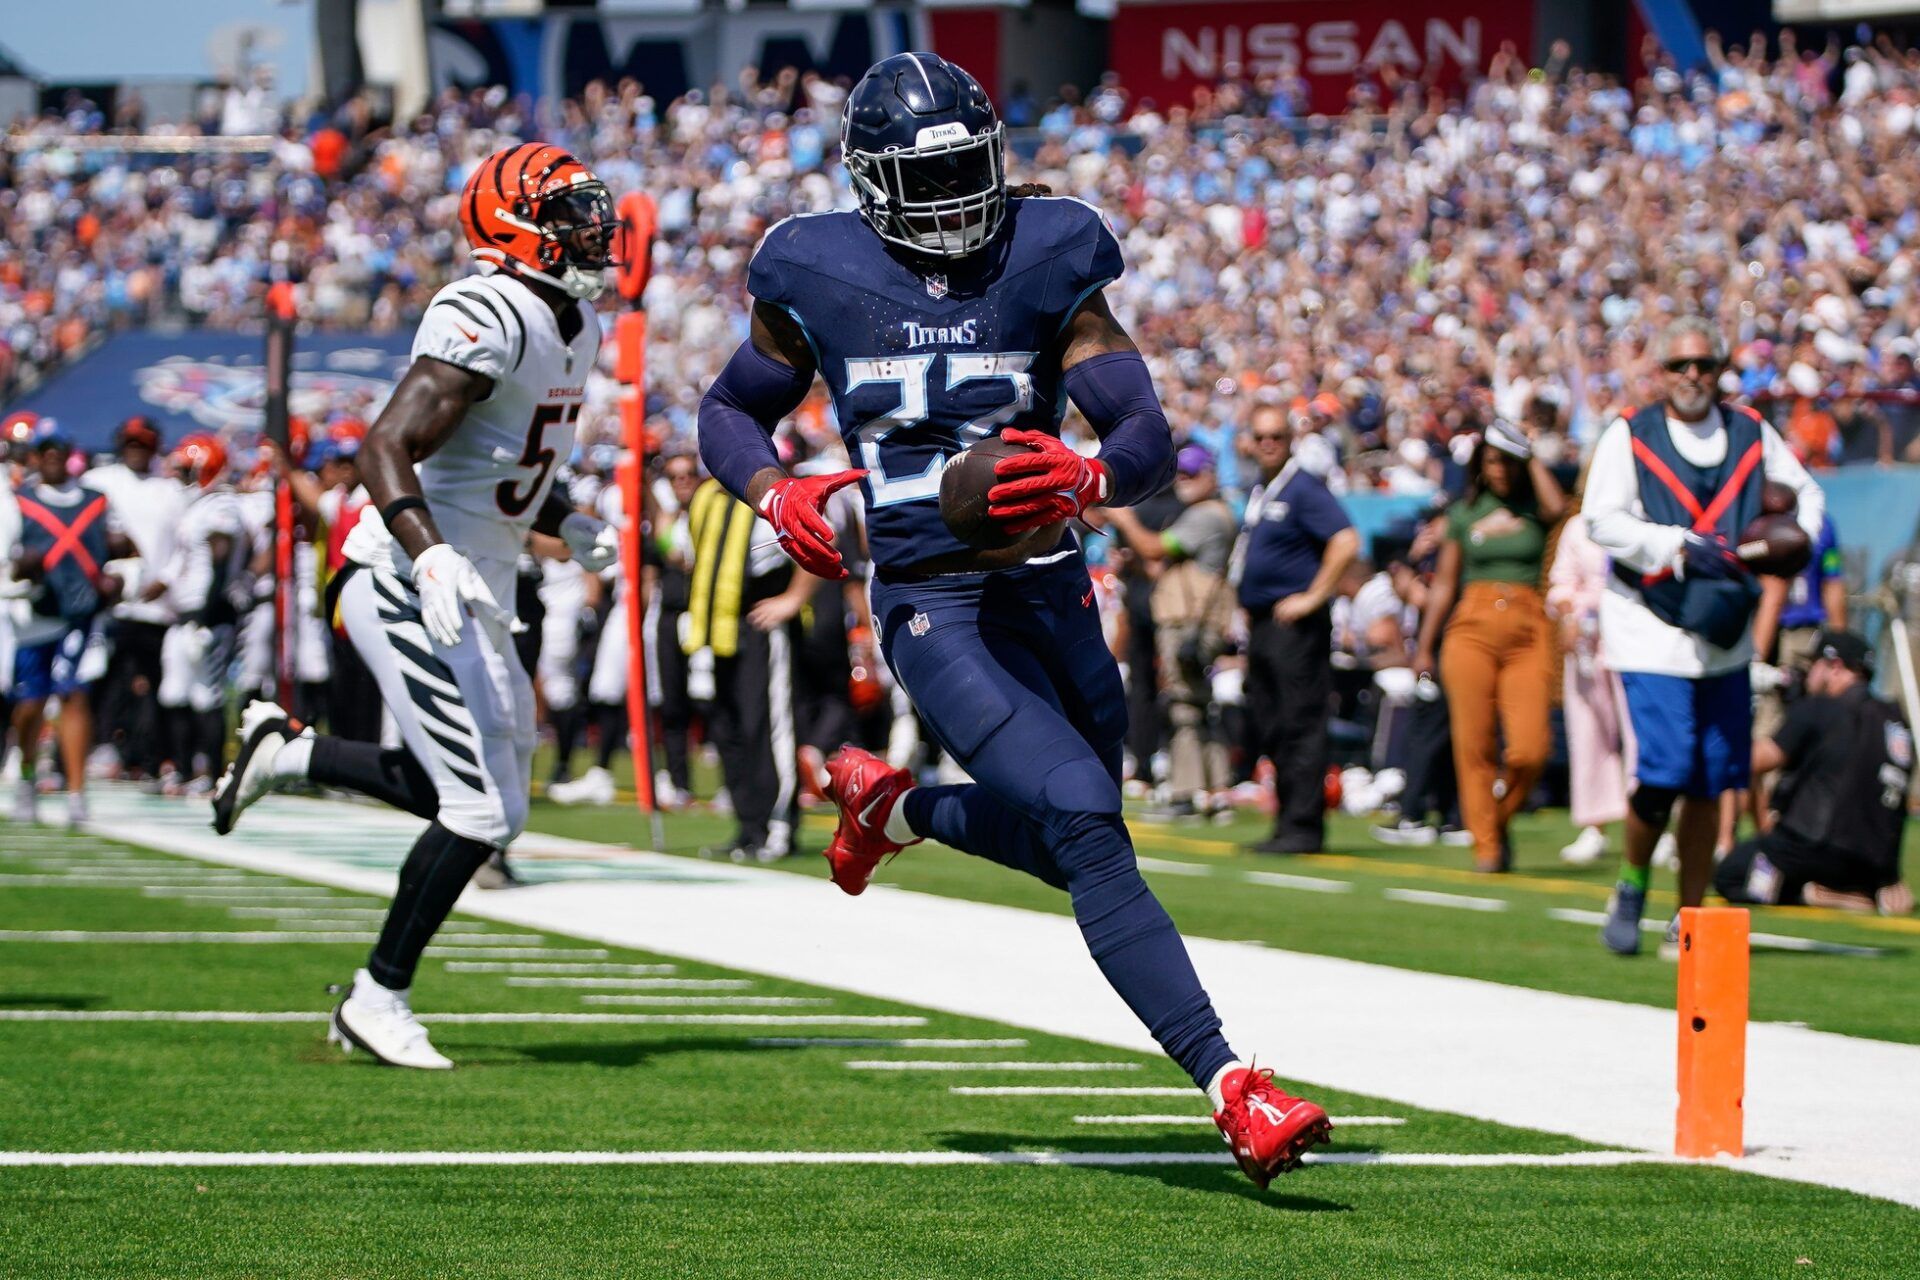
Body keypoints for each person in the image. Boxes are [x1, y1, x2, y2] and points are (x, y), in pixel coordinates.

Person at [694, 53, 1330, 1187]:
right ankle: (1233, 1083)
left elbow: (1141, 422)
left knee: (1092, 835)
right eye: (920, 182)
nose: (949, 205)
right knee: (1085, 816)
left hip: (1045, 578)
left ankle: (902, 808)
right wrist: (773, 489)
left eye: (964, 175)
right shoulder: (813, 268)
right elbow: (732, 407)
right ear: (869, 182)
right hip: (931, 599)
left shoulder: (1049, 251)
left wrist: (1090, 477)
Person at [207, 142, 622, 1066]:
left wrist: (568, 515)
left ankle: (292, 751)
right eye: (568, 213)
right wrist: (428, 557)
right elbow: (385, 446)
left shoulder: (576, 326)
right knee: (477, 808)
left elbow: (495, 464)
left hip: (476, 579)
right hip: (406, 576)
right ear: (516, 230)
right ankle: (375, 997)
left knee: (492, 803)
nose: (592, 227)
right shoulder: (488, 309)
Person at [1585, 317, 1824, 956]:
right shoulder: (1630, 433)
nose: (1693, 376)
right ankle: (1632, 881)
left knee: (1710, 779)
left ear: (1721, 369)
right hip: (1650, 619)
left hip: (1725, 625)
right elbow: (1599, 519)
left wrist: (1788, 546)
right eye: (1679, 366)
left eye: (1704, 365)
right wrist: (1676, 545)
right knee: (1666, 769)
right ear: (1660, 373)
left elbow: (1806, 496)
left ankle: (1686, 915)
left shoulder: (1749, 429)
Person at [1413, 422, 1565, 872]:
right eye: (1492, 459)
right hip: (1470, 626)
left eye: (1507, 459)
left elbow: (1559, 506)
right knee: (1473, 744)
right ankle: (1487, 846)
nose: (1499, 468)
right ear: (1480, 464)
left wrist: (1528, 451)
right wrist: (1424, 645)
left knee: (1530, 749)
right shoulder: (1465, 512)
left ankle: (1494, 823)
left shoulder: (1536, 506)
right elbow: (1443, 583)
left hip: (1528, 625)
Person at [1231, 401, 1360, 854]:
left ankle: (1303, 827)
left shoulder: (1303, 487)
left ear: (1291, 441)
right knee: (1271, 723)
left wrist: (1312, 596)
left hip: (1294, 627)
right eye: (1261, 436)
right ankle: (1286, 821)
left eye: (1277, 437)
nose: (1268, 444)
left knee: (1299, 723)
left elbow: (1346, 540)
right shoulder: (1261, 489)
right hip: (1264, 625)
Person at [1715, 630, 1911, 915]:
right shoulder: (1895, 720)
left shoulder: (1819, 708)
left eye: (1814, 665)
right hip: (1874, 863)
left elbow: (1755, 761)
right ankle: (1854, 892)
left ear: (1834, 666)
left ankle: (1812, 894)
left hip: (1813, 846)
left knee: (1731, 874)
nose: (1808, 675)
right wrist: (1889, 874)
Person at [681, 471, 814, 861]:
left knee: (767, 728)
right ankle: (748, 825)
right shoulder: (706, 496)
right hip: (718, 627)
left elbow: (819, 540)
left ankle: (778, 825)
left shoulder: (773, 499)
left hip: (761, 621)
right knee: (727, 727)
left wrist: (791, 599)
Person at [1103, 444, 1237, 819]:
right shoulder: (1207, 513)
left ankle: (1186, 792)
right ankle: (1217, 788)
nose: (1185, 480)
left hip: (1191, 622)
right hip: (1195, 619)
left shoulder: (1206, 516)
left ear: (1212, 474)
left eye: (1194, 473)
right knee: (1197, 703)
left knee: (1184, 706)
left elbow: (1154, 546)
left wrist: (1123, 519)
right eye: (1182, 472)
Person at [8, 425, 128, 825]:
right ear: (36, 457)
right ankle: (27, 773)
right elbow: (9, 558)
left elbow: (125, 549)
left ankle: (77, 793)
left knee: (73, 693)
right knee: (29, 705)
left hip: (81, 613)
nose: (52, 457)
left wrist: (120, 580)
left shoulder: (96, 502)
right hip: (33, 616)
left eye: (59, 450)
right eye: (45, 451)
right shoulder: (19, 502)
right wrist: (21, 569)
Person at [86, 415, 182, 781]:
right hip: (112, 603)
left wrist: (167, 579)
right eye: (131, 443)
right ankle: (101, 745)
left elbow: (186, 544)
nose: (136, 450)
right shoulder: (100, 482)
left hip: (157, 606)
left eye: (142, 444)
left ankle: (149, 756)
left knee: (156, 684)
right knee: (104, 679)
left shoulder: (170, 490)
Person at [1546, 501, 1633, 866]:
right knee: (1588, 733)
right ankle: (1595, 827)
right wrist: (1569, 618)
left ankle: (1651, 826)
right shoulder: (1578, 526)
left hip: (1635, 638)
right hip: (1587, 641)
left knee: (1641, 735)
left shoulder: (1641, 520)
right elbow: (1561, 582)